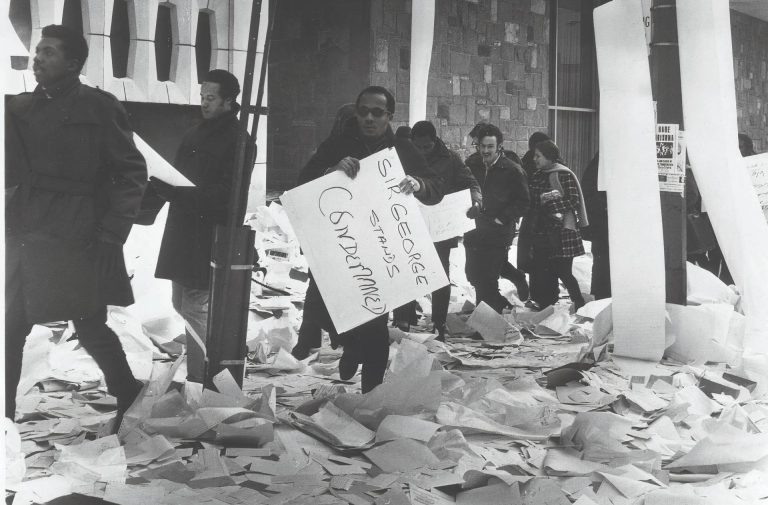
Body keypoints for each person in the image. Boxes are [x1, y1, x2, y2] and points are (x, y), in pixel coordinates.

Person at [5, 25, 147, 423]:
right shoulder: (18, 108)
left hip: (77, 231)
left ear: (72, 64)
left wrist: (111, 232)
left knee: (87, 323)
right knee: (10, 327)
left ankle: (127, 392)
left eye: (48, 52)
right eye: (37, 52)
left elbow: (132, 171)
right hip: (24, 230)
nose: (38, 58)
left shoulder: (99, 106)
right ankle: (5, 419)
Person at [296, 86, 443, 393]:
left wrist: (418, 183)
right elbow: (302, 183)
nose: (369, 118)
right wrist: (331, 171)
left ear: (389, 116)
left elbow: (436, 187)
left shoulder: (402, 149)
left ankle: (371, 394)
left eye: (377, 112)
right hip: (342, 247)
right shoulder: (339, 143)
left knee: (376, 326)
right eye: (363, 111)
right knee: (326, 313)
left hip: (381, 249)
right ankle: (350, 345)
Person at [151, 70, 248, 384]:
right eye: (202, 97)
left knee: (195, 304)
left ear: (228, 101)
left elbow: (228, 195)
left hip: (209, 232)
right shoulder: (196, 132)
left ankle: (204, 376)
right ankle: (207, 369)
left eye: (211, 98)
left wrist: (182, 193)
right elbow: (177, 173)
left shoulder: (239, 140)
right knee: (179, 302)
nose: (204, 104)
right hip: (183, 227)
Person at [391, 120, 482, 340]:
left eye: (426, 146)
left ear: (435, 141)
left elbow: (470, 182)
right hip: (409, 225)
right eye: (418, 146)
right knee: (406, 272)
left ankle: (439, 324)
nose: (422, 151)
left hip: (440, 227)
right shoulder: (402, 156)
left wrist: (476, 201)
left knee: (439, 276)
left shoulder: (449, 158)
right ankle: (402, 320)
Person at [292, 103, 356, 360]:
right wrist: (332, 171)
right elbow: (305, 182)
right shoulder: (329, 150)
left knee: (331, 288)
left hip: (349, 231)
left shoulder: (367, 150)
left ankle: (317, 339)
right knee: (319, 287)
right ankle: (314, 338)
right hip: (328, 231)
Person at [463, 124, 530, 313]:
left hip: (498, 231)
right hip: (474, 229)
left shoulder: (512, 170)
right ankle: (499, 305)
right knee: (473, 275)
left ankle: (485, 322)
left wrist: (503, 218)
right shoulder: (471, 164)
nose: (485, 151)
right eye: (482, 146)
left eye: (490, 147)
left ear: (499, 146)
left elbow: (524, 202)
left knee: (487, 278)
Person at [527, 140, 589, 310]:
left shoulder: (563, 174)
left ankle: (579, 303)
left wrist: (550, 206)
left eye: (538, 156)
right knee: (545, 271)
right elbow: (532, 201)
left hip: (563, 232)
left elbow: (573, 199)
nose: (535, 159)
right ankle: (547, 304)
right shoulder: (537, 175)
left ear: (549, 157)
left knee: (563, 270)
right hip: (543, 230)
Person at [517, 131, 558, 310]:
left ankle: (541, 296)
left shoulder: (551, 166)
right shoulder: (532, 163)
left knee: (540, 259)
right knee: (541, 260)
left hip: (538, 219)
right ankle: (546, 296)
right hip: (538, 218)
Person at [581, 153, 611, 299]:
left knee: (602, 263)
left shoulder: (601, 160)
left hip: (604, 223)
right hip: (604, 223)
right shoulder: (603, 161)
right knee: (603, 263)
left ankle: (600, 297)